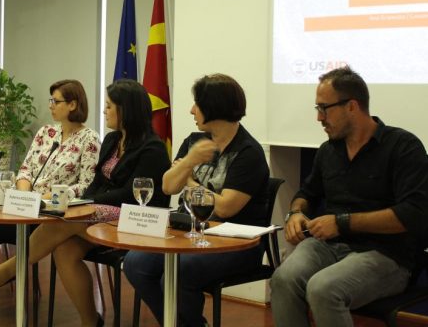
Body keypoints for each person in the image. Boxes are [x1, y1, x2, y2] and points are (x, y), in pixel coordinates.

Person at [0, 79, 171, 327]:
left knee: (63, 219)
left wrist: (85, 201)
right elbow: (95, 182)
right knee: (65, 250)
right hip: (96, 213)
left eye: (109, 106)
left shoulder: (152, 148)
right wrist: (84, 200)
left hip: (133, 219)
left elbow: (129, 194)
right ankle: (90, 321)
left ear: (126, 110)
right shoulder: (113, 140)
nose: (104, 111)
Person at [270, 66, 428, 327]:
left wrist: (342, 223)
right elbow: (306, 193)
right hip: (328, 246)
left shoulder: (403, 147)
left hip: (387, 254)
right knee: (282, 279)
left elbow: (412, 215)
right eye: (317, 109)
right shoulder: (328, 151)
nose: (319, 118)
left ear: (352, 106)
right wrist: (296, 212)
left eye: (324, 108)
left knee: (324, 289)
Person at [0, 79, 101, 325]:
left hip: (50, 217)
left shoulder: (90, 139)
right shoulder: (46, 133)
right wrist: (25, 194)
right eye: (51, 100)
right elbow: (25, 170)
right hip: (24, 207)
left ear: (73, 104)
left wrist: (46, 196)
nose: (51, 105)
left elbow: (85, 186)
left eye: (56, 101)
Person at [123, 74, 269, 327]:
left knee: (179, 271)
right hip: (187, 230)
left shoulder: (248, 152)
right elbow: (168, 186)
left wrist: (190, 181)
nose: (191, 110)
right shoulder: (194, 142)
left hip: (235, 243)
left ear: (214, 107)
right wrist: (190, 160)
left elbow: (225, 208)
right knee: (135, 263)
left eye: (197, 104)